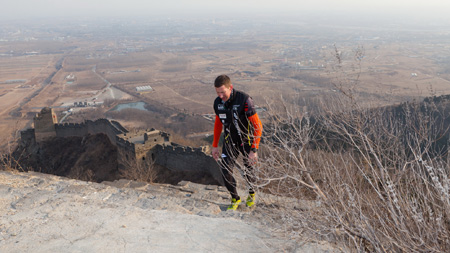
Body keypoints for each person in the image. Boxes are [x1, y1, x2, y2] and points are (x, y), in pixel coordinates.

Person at [212, 74, 263, 210]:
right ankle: (235, 198)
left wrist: (254, 149)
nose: (221, 96)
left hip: (246, 140)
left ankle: (251, 194)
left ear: (231, 88)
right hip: (230, 141)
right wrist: (215, 146)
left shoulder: (244, 100)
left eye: (223, 92)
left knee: (249, 170)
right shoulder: (218, 103)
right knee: (225, 170)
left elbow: (258, 126)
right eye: (218, 93)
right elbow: (218, 125)